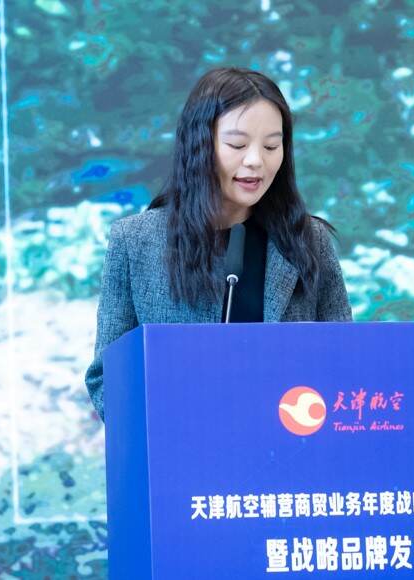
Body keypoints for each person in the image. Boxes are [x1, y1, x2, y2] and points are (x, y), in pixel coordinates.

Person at [84, 67, 352, 422]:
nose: (256, 160)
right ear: (199, 144)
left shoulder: (309, 241)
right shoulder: (135, 241)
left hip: (289, 450)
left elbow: (344, 362)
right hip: (181, 449)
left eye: (271, 146)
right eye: (237, 145)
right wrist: (165, 432)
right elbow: (106, 378)